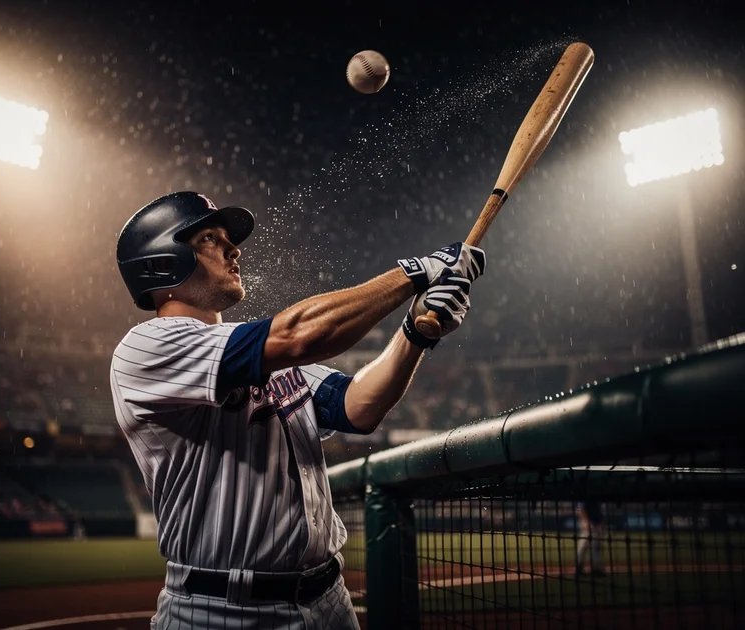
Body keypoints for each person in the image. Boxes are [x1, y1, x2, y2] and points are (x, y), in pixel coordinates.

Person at [109, 191, 486, 629]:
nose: (234, 249)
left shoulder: (258, 354)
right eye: (210, 238)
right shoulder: (147, 347)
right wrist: (416, 274)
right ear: (163, 261)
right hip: (220, 611)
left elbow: (358, 406)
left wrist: (414, 333)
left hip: (329, 599)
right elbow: (300, 335)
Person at [575, 500, 606, 578]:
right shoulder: (587, 495)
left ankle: (581, 568)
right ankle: (594, 569)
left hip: (595, 523)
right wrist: (586, 521)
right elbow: (580, 509)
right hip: (591, 523)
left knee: (589, 546)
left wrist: (601, 522)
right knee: (590, 547)